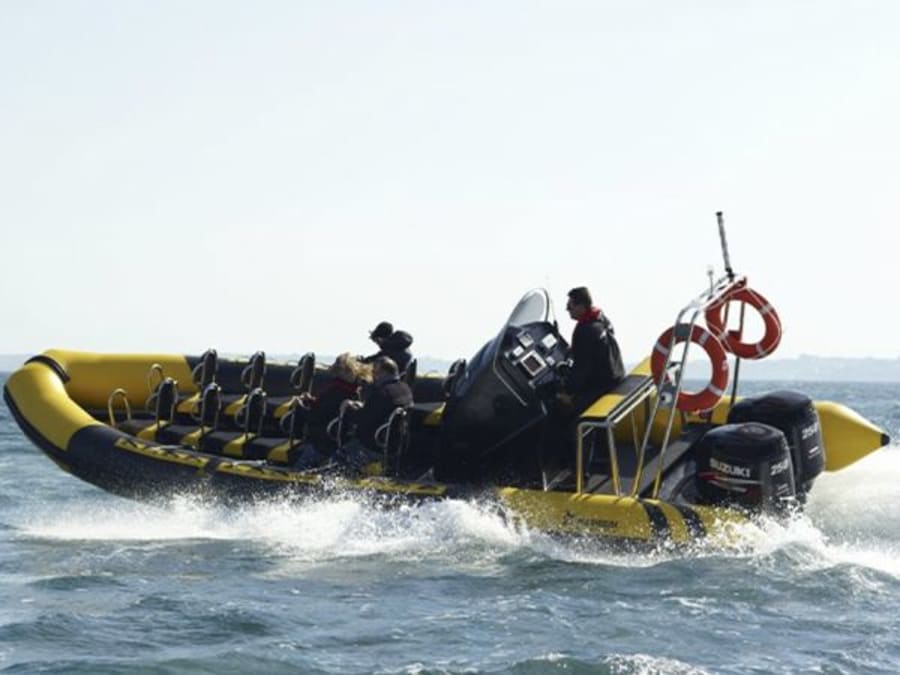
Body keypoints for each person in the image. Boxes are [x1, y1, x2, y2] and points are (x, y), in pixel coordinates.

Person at [293, 353, 371, 468]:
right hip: (339, 439)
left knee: (299, 468)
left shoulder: (335, 391)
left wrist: (299, 406)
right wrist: (311, 401)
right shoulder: (355, 392)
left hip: (322, 440)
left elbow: (314, 417)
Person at [338, 356, 413, 473]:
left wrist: (348, 409)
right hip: (394, 445)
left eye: (374, 372)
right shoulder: (405, 389)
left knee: (338, 459)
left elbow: (363, 420)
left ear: (383, 373)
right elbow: (380, 411)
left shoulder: (382, 392)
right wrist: (362, 406)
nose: (373, 376)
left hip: (371, 447)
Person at [559, 286, 625, 412]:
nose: (567, 309)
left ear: (581, 306)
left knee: (559, 410)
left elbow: (581, 369)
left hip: (601, 388)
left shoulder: (584, 331)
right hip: (617, 378)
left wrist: (567, 392)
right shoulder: (601, 320)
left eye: (570, 306)